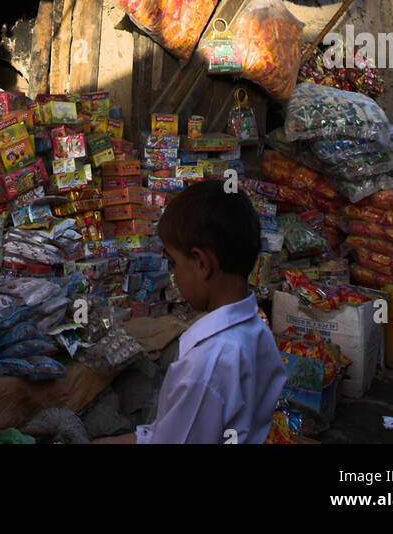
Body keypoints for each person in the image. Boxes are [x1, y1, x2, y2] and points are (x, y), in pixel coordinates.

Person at [94, 179, 285, 444]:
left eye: (174, 263)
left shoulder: (207, 364)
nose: (173, 274)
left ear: (201, 263)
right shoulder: (257, 332)